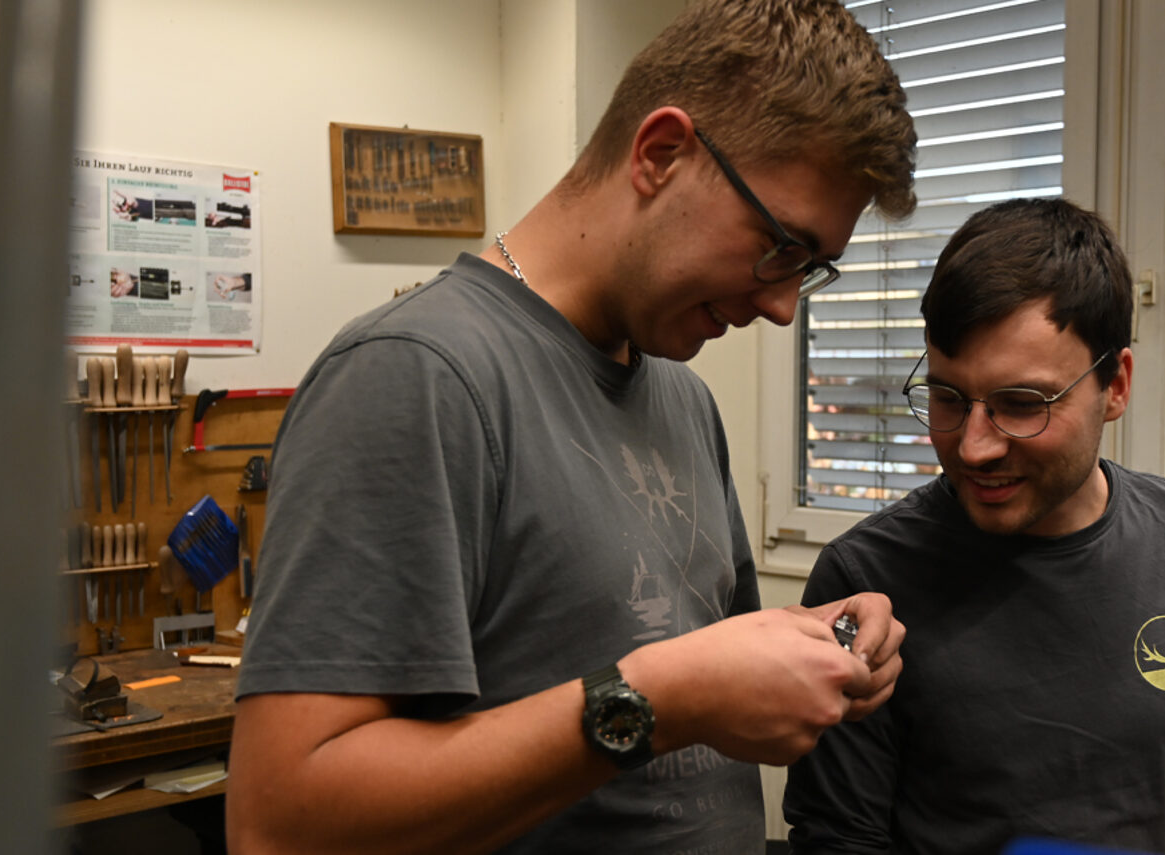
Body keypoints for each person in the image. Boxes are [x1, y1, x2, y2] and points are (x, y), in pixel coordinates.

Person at [226, 2, 917, 854]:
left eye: (810, 271)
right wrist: (659, 697)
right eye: (780, 246)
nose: (781, 306)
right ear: (661, 155)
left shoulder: (681, 396)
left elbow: (687, 670)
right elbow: (280, 823)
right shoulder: (416, 375)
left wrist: (814, 647)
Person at [783, 198, 1165, 855]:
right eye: (949, 397)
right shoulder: (864, 579)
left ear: (1117, 384)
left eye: (1022, 404)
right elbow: (841, 837)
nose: (975, 446)